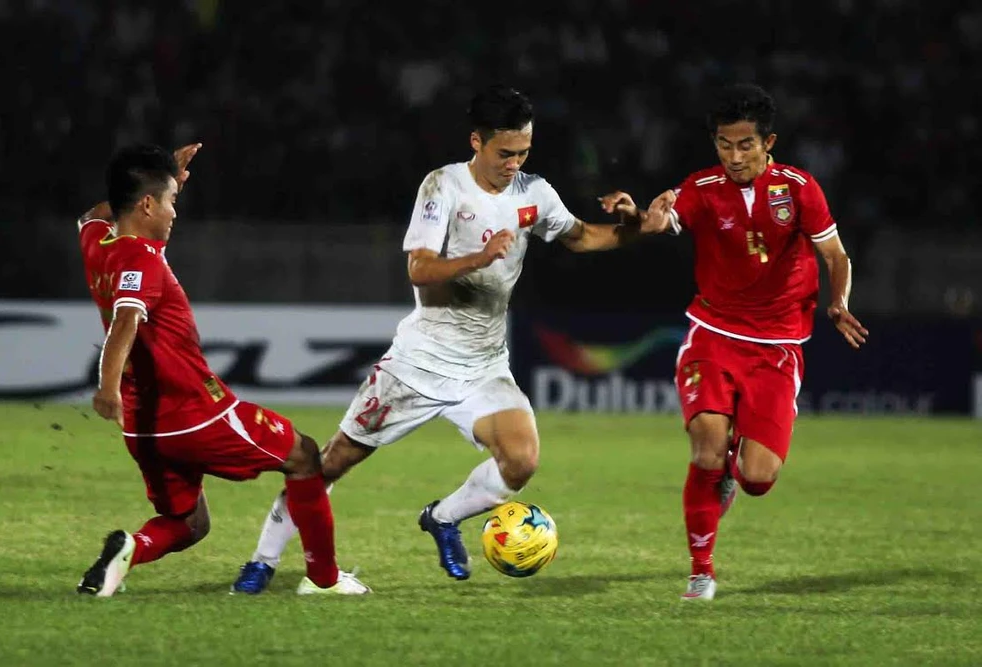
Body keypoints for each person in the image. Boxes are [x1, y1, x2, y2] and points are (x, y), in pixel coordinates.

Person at [231, 84, 673, 593]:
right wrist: (478, 259)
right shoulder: (443, 186)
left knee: (521, 460)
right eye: (505, 153)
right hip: (419, 362)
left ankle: (441, 517)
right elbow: (419, 269)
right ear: (476, 142)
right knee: (331, 462)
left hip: (484, 364)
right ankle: (262, 562)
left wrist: (640, 228)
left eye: (524, 152)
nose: (514, 163)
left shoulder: (533, 192)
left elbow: (580, 237)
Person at [600, 83, 869, 601]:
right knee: (706, 446)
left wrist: (838, 302)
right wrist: (635, 214)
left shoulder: (799, 188)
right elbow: (660, 221)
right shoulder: (701, 187)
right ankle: (701, 571)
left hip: (778, 346)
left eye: (746, 145)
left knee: (758, 478)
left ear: (769, 143)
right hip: (713, 334)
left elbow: (836, 255)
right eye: (725, 145)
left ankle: (731, 471)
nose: (735, 156)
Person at [75, 143, 370, 597]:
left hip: (143, 425)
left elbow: (92, 215)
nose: (175, 213)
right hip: (194, 411)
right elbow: (126, 319)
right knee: (304, 455)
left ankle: (129, 551)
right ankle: (324, 580)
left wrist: (163, 175)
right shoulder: (140, 258)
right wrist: (106, 386)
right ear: (147, 205)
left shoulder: (97, 240)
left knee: (188, 522)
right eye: (170, 200)